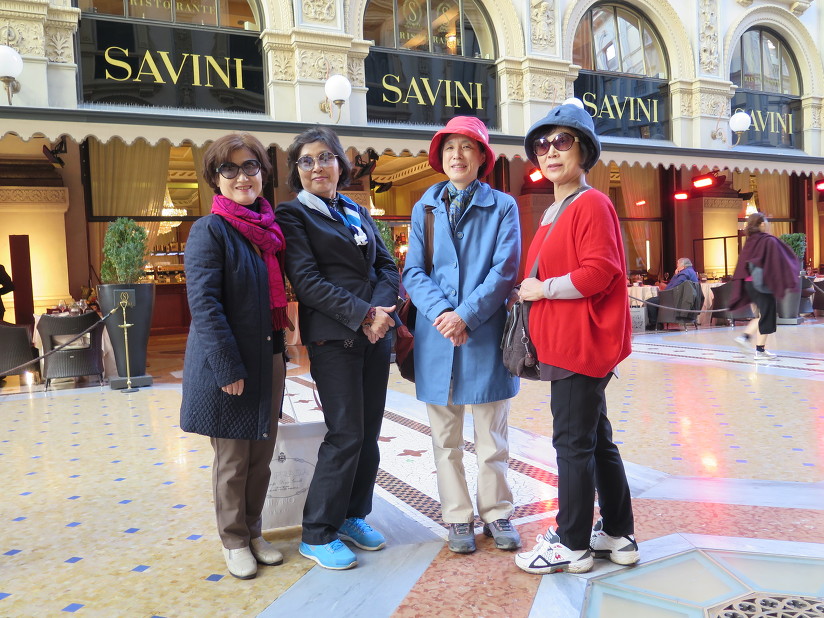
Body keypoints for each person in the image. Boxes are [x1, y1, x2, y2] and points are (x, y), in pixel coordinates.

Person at [513, 102, 639, 575]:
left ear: (584, 150)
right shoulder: (557, 208)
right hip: (570, 342)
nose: (550, 151)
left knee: (571, 444)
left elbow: (599, 272)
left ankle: (572, 544)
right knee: (595, 439)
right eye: (542, 144)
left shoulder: (590, 203)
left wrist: (542, 289)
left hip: (579, 344)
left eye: (562, 141)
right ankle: (618, 533)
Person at [277, 126, 399, 571]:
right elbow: (307, 281)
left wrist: (380, 313)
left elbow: (387, 266)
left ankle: (352, 515)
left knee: (368, 433)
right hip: (335, 338)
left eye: (325, 157)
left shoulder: (355, 209)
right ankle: (317, 532)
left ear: (340, 164)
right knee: (345, 433)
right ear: (297, 170)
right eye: (307, 160)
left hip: (375, 336)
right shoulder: (293, 215)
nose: (317, 167)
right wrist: (365, 314)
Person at [403, 116, 522, 554]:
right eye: (450, 147)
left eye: (467, 146)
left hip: (484, 334)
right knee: (445, 439)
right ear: (441, 156)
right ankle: (456, 517)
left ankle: (497, 512)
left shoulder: (503, 206)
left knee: (492, 438)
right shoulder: (425, 207)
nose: (457, 155)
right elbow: (413, 271)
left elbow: (505, 270)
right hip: (437, 335)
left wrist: (466, 316)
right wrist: (443, 314)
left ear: (482, 157)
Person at [180, 132, 287, 580]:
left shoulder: (270, 232)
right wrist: (226, 366)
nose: (242, 177)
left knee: (261, 455)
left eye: (250, 167)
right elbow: (205, 304)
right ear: (215, 178)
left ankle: (254, 531)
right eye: (230, 169)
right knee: (233, 460)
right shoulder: (210, 231)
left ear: (262, 173)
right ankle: (234, 539)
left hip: (269, 355)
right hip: (231, 363)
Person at [730, 212, 799, 361]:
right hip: (762, 284)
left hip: (749, 283)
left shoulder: (750, 241)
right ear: (762, 224)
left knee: (763, 315)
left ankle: (758, 348)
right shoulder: (768, 240)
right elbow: (782, 259)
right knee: (767, 315)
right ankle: (746, 338)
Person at [645, 257, 699, 326]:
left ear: (683, 266)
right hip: (686, 301)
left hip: (676, 300)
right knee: (654, 300)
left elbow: (671, 287)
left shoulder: (684, 274)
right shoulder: (691, 272)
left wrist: (675, 276)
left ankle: (655, 325)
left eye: (678, 265)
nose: (677, 266)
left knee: (650, 302)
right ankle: (658, 324)